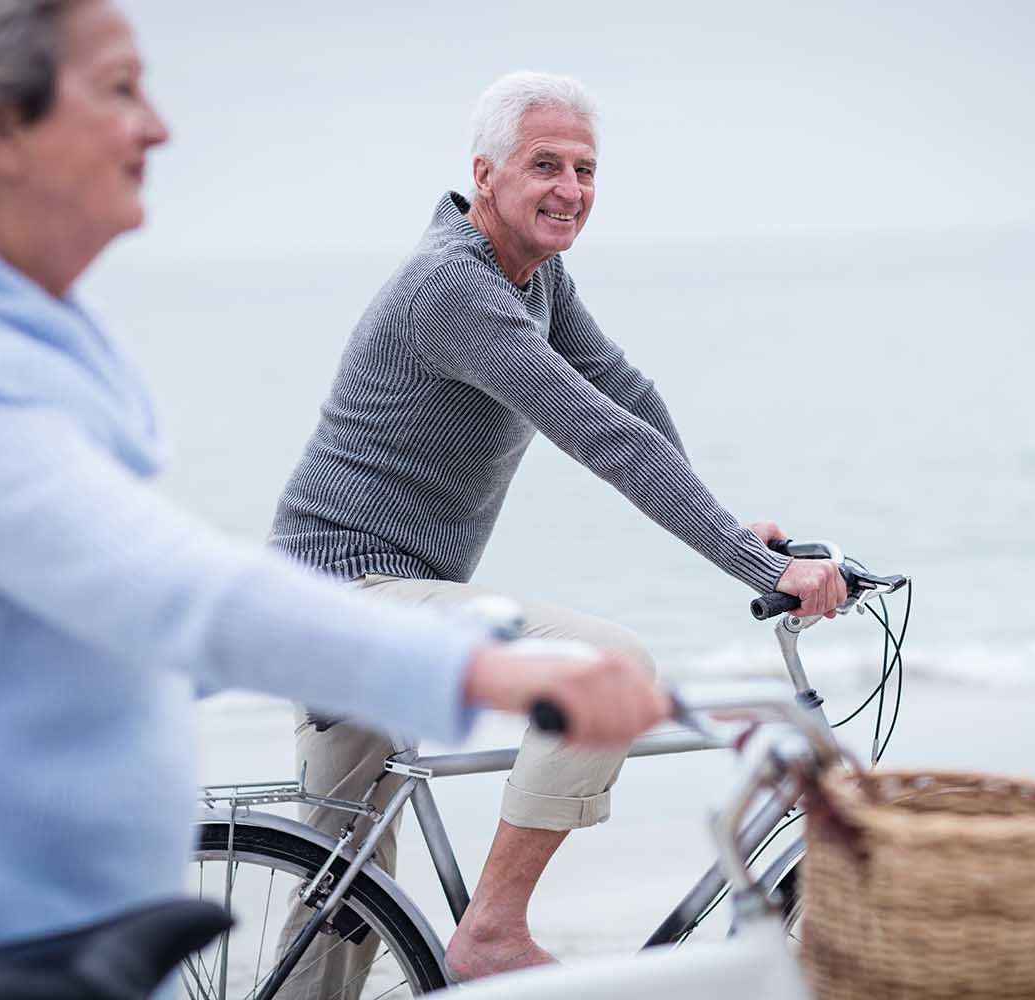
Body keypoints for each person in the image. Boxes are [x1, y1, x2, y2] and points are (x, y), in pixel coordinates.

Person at [0, 7, 669, 999]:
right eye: (118, 89)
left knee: (337, 902)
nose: (160, 126)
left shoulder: (28, 348)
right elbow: (183, 595)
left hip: (61, 938)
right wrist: (483, 663)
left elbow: (109, 644)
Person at [268, 70, 846, 989]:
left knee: (338, 913)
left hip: (345, 599)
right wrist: (747, 562)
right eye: (546, 165)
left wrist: (735, 530)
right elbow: (602, 437)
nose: (570, 190)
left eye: (585, 169)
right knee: (603, 667)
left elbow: (626, 396)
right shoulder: (452, 287)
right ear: (484, 173)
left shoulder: (532, 275)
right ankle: (492, 931)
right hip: (347, 595)